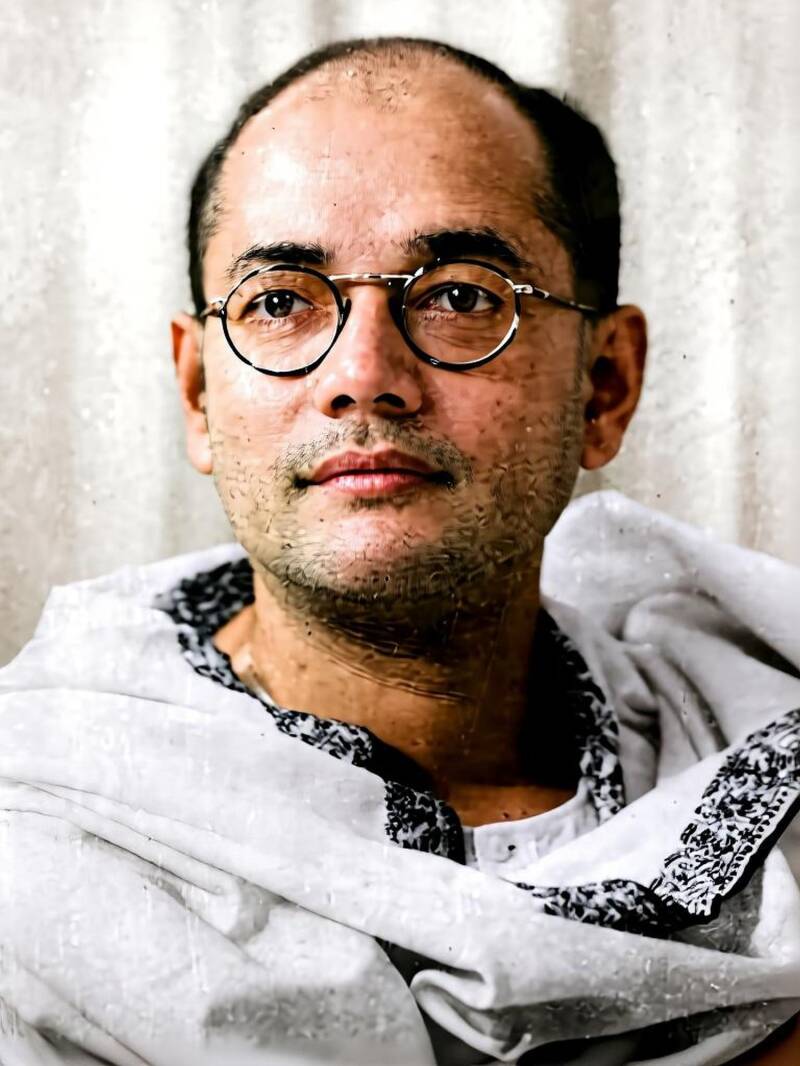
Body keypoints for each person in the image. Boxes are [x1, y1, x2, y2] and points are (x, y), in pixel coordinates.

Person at [0, 36, 798, 1066]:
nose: (363, 373)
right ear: (198, 393)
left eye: (461, 295)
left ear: (603, 387)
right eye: (280, 300)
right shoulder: (40, 851)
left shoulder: (758, 765)